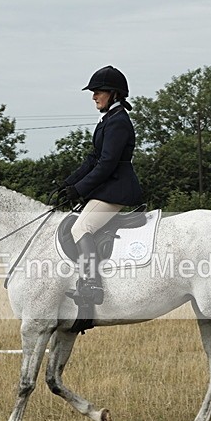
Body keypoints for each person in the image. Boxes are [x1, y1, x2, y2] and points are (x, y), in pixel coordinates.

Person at [58, 65, 143, 308]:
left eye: (98, 91)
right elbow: (93, 159)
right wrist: (69, 183)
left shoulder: (118, 122)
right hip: (108, 188)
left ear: (114, 94)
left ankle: (92, 284)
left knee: (81, 227)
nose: (94, 96)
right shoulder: (109, 119)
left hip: (116, 189)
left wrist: (79, 189)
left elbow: (107, 164)